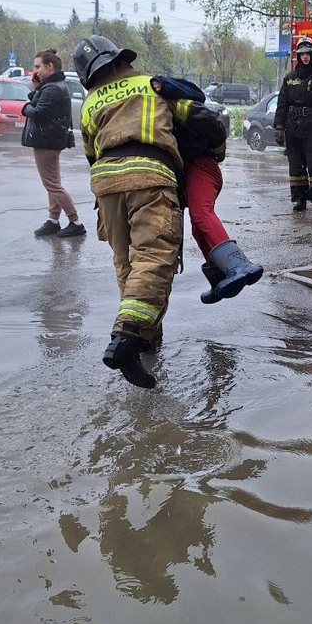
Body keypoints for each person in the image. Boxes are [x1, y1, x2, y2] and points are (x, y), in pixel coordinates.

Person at [73, 35, 184, 389]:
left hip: (105, 183)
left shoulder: (89, 102)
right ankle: (127, 338)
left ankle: (145, 336)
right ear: (120, 59)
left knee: (128, 263)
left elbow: (90, 152)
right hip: (150, 175)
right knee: (154, 256)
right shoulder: (150, 83)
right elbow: (192, 117)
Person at [149, 75, 264, 304]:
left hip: (202, 167)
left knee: (201, 214)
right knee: (197, 227)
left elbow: (195, 92)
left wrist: (162, 83)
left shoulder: (178, 102)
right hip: (191, 171)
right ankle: (219, 278)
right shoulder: (160, 111)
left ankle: (238, 265)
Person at [23, 48, 85, 238]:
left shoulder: (52, 88)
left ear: (50, 66)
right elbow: (39, 102)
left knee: (52, 185)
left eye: (38, 66)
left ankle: (75, 222)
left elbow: (38, 112)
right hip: (49, 140)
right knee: (54, 183)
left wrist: (25, 108)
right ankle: (53, 220)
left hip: (46, 141)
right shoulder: (53, 85)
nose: (35, 71)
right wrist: (36, 88)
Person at [274, 36, 312, 213]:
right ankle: (299, 199)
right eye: (302, 54)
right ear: (298, 56)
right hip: (293, 128)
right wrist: (278, 126)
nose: (305, 57)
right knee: (296, 165)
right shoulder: (289, 78)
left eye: (308, 53)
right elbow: (282, 105)